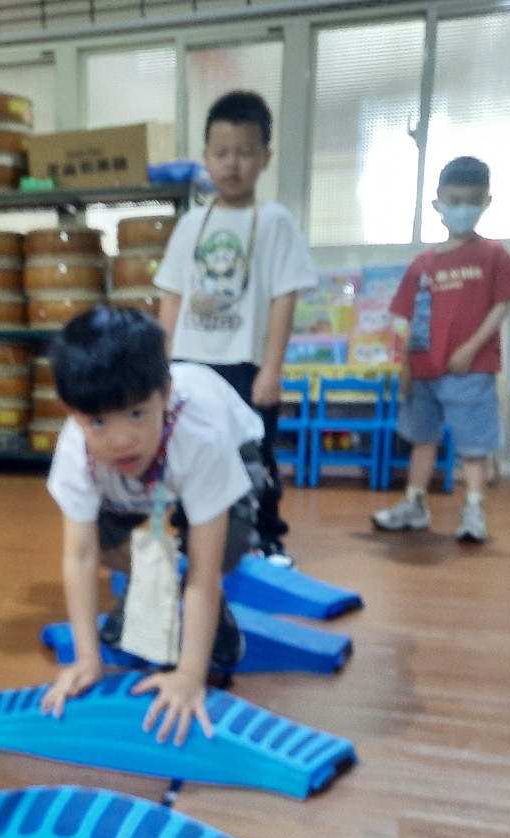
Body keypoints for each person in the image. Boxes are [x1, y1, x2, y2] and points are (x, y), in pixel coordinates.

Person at [40, 306, 267, 746]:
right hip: (139, 482)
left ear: (165, 393)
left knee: (223, 550)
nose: (121, 439)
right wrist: (87, 659)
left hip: (228, 450)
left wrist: (189, 675)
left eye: (136, 414)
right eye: (98, 421)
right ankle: (150, 582)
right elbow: (81, 556)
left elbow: (203, 573)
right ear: (72, 413)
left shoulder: (202, 435)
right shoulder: (76, 451)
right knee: (98, 539)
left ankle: (196, 606)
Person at [154, 90, 319, 569]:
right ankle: (190, 533)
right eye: (221, 153)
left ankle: (266, 536)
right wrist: (161, 366)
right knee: (188, 451)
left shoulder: (276, 222)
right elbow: (172, 297)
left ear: (265, 157)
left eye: (245, 153)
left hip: (247, 365)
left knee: (256, 453)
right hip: (190, 364)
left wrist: (272, 369)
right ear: (205, 157)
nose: (232, 164)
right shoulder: (190, 225)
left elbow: (284, 297)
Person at [371, 156, 510, 542]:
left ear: (486, 202)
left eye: (472, 200)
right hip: (424, 369)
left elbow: (503, 304)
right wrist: (405, 367)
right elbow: (406, 320)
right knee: (422, 438)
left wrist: (471, 349)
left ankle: (473, 510)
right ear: (437, 202)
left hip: (470, 370)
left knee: (474, 445)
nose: (462, 209)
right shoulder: (423, 263)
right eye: (454, 200)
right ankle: (414, 504)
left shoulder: (493, 254)